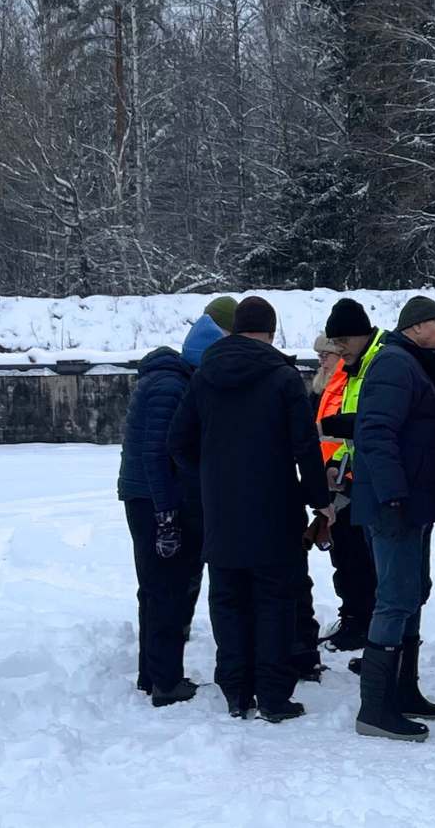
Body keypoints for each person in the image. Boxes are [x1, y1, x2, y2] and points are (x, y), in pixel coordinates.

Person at [168, 296, 334, 723]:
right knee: (275, 602)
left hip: (221, 511)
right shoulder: (282, 378)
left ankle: (236, 692)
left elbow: (179, 442)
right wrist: (320, 500)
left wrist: (209, 479)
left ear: (235, 329)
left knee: (228, 600)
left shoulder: (204, 375)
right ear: (271, 332)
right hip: (275, 509)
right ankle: (274, 696)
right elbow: (305, 446)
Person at [350, 296, 435, 741]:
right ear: (416, 326)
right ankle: (375, 707)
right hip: (395, 503)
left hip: (414, 501)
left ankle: (404, 690)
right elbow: (375, 431)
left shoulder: (415, 363)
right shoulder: (395, 364)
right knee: (395, 597)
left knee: (413, 591)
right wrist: (393, 494)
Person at [119, 312, 225, 706]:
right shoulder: (170, 387)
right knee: (167, 588)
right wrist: (167, 514)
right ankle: (165, 681)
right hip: (154, 499)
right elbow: (156, 456)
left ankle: (154, 674)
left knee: (155, 588)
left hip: (146, 497)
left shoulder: (166, 379)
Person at [315, 298, 386, 653]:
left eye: (329, 351)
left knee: (359, 559)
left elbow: (354, 428)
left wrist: (338, 466)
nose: (328, 358)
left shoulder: (356, 374)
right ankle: (356, 617)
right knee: (345, 557)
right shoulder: (335, 381)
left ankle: (365, 623)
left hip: (352, 480)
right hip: (339, 480)